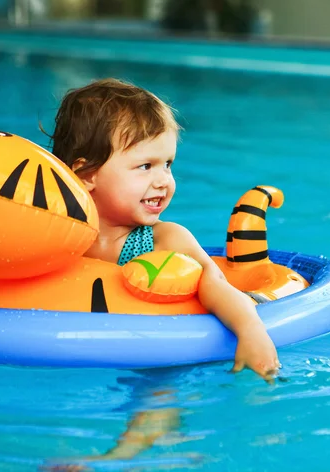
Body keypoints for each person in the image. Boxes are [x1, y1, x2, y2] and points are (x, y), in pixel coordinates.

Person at [47, 78, 279, 380]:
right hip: (69, 355)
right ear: (87, 174)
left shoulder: (164, 239)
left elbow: (215, 283)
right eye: (146, 166)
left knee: (158, 385)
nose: (163, 181)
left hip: (157, 353)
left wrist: (250, 330)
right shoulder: (52, 237)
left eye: (168, 164)